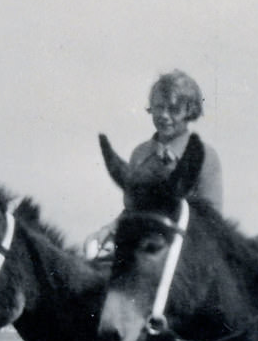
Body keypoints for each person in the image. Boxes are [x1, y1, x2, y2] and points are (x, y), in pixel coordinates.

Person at [85, 69, 223, 257]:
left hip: (185, 250)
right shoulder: (141, 154)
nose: (164, 115)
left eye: (173, 109)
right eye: (159, 107)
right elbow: (133, 210)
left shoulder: (206, 156)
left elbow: (211, 221)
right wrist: (108, 229)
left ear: (189, 111)